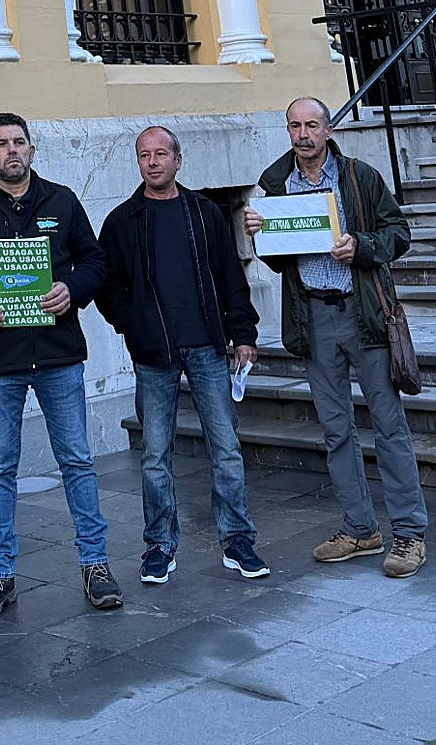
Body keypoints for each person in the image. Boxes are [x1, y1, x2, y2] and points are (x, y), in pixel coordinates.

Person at [0, 112, 121, 621]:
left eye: (19, 142)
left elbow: (95, 262)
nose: (12, 151)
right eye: (1, 144)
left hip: (58, 352)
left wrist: (73, 289)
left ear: (32, 150)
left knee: (78, 461)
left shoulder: (61, 201)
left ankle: (96, 563)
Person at [244, 97, 428, 578]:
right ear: (288, 131)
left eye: (312, 125)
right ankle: (360, 527)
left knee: (388, 425)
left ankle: (409, 533)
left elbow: (399, 233)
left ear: (328, 130)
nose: (303, 134)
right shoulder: (273, 184)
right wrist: (259, 235)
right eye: (294, 125)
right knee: (334, 428)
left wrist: (361, 246)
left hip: (362, 313)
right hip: (313, 316)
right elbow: (280, 257)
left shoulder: (359, 176)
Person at [98, 126, 268, 585]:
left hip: (210, 348)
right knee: (155, 454)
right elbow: (106, 285)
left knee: (226, 448)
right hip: (154, 353)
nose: (152, 162)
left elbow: (231, 275)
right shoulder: (122, 221)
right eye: (144, 155)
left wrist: (243, 332)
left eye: (160, 154)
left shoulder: (204, 212)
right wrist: (131, 324)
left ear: (178, 159)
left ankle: (237, 540)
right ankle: (159, 545)